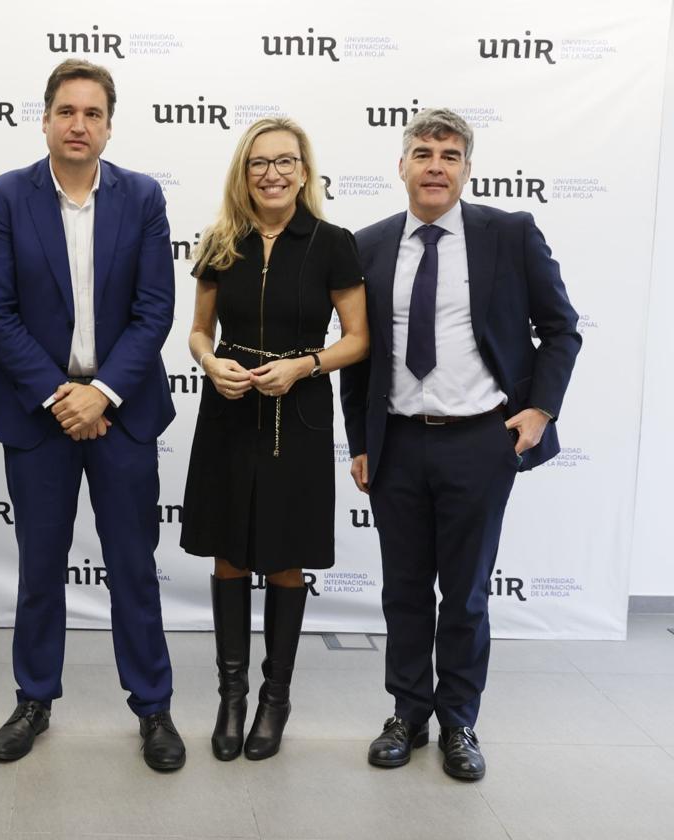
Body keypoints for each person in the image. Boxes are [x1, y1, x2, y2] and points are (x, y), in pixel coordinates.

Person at [340, 108, 581, 781]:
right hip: (397, 446)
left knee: (467, 593)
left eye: (450, 154)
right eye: (423, 152)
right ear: (403, 166)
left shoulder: (509, 235)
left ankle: (460, 723)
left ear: (466, 168)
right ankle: (408, 715)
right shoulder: (368, 246)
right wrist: (360, 439)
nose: (436, 165)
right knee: (405, 591)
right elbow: (360, 359)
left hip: (480, 442)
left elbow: (561, 329)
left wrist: (538, 410)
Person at [0, 59, 185, 771]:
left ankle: (153, 708)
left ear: (109, 125)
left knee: (133, 567)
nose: (78, 125)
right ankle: (34, 698)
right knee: (40, 565)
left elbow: (155, 310)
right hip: (39, 413)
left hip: (122, 411)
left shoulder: (143, 198)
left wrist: (103, 394)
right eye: (66, 111)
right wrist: (62, 396)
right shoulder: (5, 197)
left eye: (92, 113)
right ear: (46, 118)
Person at [181, 118, 369, 762]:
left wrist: (303, 365)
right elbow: (199, 333)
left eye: (285, 161)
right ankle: (231, 697)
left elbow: (357, 338)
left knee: (285, 558)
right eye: (259, 162)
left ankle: (274, 698)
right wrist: (211, 364)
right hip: (229, 410)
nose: (272, 173)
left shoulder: (333, 242)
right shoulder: (220, 243)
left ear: (303, 170)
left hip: (301, 414)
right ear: (244, 171)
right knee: (228, 554)